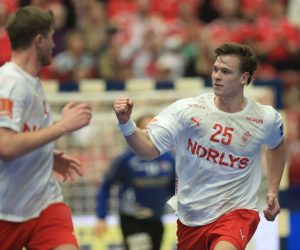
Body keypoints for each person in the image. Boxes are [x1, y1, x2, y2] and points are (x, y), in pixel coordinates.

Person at [114, 42, 286, 250]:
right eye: (215, 69)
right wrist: (125, 123)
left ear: (244, 78)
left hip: (237, 212)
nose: (216, 76)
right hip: (192, 218)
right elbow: (148, 149)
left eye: (225, 71)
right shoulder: (188, 110)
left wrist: (273, 190)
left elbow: (276, 146)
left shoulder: (265, 118)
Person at [0, 6, 92, 250]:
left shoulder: (33, 81)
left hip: (44, 203)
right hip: (7, 210)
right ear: (39, 40)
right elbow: (6, 145)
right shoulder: (10, 83)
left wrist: (46, 157)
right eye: (51, 37)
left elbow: (23, 135)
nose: (54, 44)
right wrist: (63, 126)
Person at [94, 114, 176, 250]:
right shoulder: (125, 158)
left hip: (156, 218)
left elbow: (175, 188)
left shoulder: (168, 158)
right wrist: (101, 216)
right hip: (132, 218)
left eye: (155, 129)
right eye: (146, 129)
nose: (151, 134)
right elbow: (106, 184)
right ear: (137, 132)